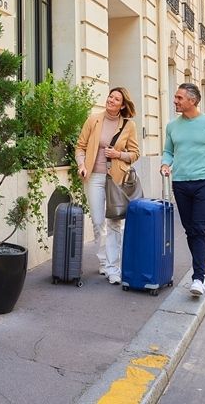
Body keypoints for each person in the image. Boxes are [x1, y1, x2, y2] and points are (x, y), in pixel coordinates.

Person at [160, 83, 205, 298]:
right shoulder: (172, 126)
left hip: (203, 183)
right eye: (175, 97)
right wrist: (165, 163)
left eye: (179, 98)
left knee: (199, 229)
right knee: (190, 230)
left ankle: (198, 277)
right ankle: (202, 272)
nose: (175, 101)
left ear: (193, 100)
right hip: (180, 184)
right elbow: (168, 151)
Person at [76, 87, 140, 285]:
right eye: (110, 97)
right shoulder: (93, 120)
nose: (111, 100)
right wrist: (81, 165)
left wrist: (118, 154)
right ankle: (103, 261)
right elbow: (80, 146)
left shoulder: (128, 125)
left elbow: (135, 153)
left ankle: (113, 267)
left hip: (116, 179)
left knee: (114, 222)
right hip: (94, 176)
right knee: (97, 221)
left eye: (116, 99)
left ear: (122, 105)